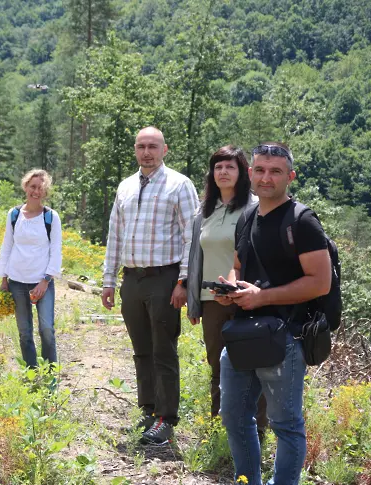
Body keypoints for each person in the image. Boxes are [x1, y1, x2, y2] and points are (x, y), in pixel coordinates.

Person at [215, 143, 331, 485]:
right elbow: (237, 266)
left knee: (286, 426)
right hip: (244, 335)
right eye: (260, 170)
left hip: (285, 338)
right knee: (234, 416)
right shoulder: (248, 216)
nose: (267, 177)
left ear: (290, 177)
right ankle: (248, 480)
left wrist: (262, 297)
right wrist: (232, 289)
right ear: (250, 174)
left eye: (276, 171)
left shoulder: (303, 221)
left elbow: (320, 282)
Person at [101, 127, 199, 446]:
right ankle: (147, 410)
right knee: (141, 350)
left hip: (164, 278)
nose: (147, 152)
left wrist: (184, 281)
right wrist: (108, 280)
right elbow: (115, 236)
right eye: (142, 146)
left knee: (163, 349)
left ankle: (166, 418)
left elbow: (191, 237)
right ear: (135, 150)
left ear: (164, 149)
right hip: (132, 279)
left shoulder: (180, 185)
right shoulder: (126, 186)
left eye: (153, 147)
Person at [186, 146, 268, 438]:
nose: (223, 172)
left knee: (253, 365)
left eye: (230, 167)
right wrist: (193, 302)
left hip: (248, 300)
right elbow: (196, 257)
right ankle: (218, 429)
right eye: (218, 167)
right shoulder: (204, 211)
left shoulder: (254, 207)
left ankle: (256, 430)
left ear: (242, 172)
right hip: (213, 301)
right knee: (217, 365)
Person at [0, 169, 62, 369]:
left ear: (45, 191)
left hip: (42, 281)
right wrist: (4, 280)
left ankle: (49, 376)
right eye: (33, 186)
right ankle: (31, 374)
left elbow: (56, 250)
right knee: (24, 332)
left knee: (47, 329)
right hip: (17, 281)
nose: (36, 191)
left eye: (41, 188)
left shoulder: (51, 217)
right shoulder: (14, 215)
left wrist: (45, 281)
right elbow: (7, 245)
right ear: (25, 187)